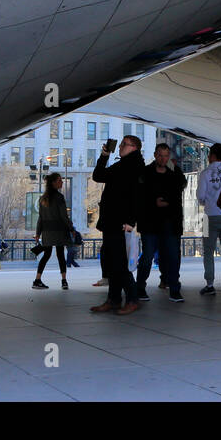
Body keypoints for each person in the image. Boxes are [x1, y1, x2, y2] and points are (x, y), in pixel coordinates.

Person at [91, 135, 144, 315]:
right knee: (113, 262)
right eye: (120, 144)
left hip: (120, 222)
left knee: (120, 263)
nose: (120, 147)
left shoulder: (134, 165)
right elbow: (98, 176)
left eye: (124, 144)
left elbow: (137, 196)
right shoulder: (123, 164)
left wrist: (131, 221)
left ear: (134, 147)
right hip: (112, 220)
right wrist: (104, 155)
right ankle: (113, 299)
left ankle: (132, 299)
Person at [135, 144, 187, 302]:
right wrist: (154, 202)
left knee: (172, 256)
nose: (163, 159)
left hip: (170, 222)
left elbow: (181, 187)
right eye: (160, 155)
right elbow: (139, 195)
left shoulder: (174, 173)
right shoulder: (146, 173)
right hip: (150, 222)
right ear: (155, 155)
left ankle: (174, 288)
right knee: (147, 256)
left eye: (166, 156)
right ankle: (140, 287)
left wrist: (167, 202)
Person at [196, 143, 221, 295]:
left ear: (211, 156)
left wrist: (207, 201)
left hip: (208, 216)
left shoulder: (205, 173)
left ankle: (210, 284)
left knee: (208, 251)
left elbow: (200, 196)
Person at [34, 172, 74, 290]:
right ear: (53, 183)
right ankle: (64, 281)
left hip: (47, 231)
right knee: (61, 255)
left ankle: (37, 279)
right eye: (59, 180)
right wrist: (71, 228)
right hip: (59, 231)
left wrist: (37, 233)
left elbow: (40, 218)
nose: (62, 182)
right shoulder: (59, 197)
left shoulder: (42, 199)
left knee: (46, 255)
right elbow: (64, 216)